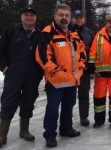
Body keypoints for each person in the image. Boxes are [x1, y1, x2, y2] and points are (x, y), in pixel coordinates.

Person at [35, 4, 86, 147]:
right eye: (61, 15)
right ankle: (50, 135)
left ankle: (66, 128)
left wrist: (81, 67)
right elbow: (42, 55)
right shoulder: (48, 32)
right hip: (55, 81)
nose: (64, 18)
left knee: (69, 106)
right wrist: (54, 70)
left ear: (70, 17)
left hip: (72, 79)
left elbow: (82, 53)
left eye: (67, 15)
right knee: (52, 108)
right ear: (55, 16)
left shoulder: (74, 33)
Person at [0, 7, 43, 147]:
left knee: (28, 102)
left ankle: (24, 131)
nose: (29, 17)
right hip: (14, 74)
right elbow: (1, 49)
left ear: (35, 18)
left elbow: (44, 55)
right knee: (8, 102)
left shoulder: (40, 34)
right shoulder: (12, 30)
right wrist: (4, 66)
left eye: (32, 15)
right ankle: (2, 135)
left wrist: (42, 71)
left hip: (32, 76)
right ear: (21, 17)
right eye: (26, 15)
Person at [72, 9, 94, 127]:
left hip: (84, 69)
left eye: (81, 17)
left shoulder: (89, 32)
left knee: (84, 94)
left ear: (84, 19)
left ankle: (83, 117)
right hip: (69, 69)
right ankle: (67, 118)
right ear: (73, 19)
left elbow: (93, 50)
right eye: (76, 17)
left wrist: (92, 67)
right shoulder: (67, 31)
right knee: (68, 97)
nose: (79, 19)